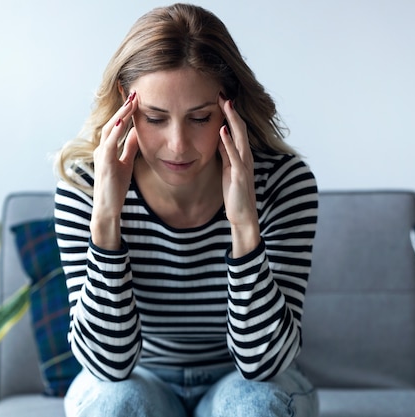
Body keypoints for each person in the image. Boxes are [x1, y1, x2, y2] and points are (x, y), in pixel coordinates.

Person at [54, 3, 319, 416]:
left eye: (199, 118)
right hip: (139, 376)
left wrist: (244, 223)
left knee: (254, 408)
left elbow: (263, 364)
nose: (177, 145)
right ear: (127, 105)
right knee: (112, 406)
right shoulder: (85, 184)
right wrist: (106, 220)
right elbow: (109, 365)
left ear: (228, 106)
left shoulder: (283, 182)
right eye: (156, 118)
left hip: (243, 378)